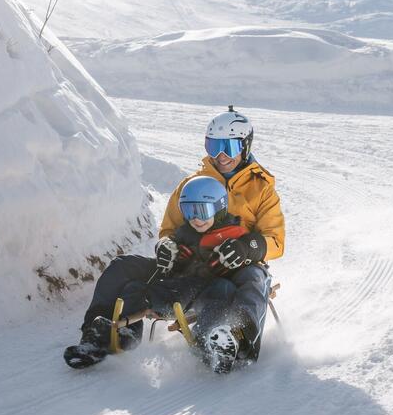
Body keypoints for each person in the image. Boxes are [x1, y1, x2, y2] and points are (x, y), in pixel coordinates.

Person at [64, 106, 285, 370]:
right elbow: (170, 229)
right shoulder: (191, 183)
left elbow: (276, 241)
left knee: (255, 279)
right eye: (214, 147)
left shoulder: (262, 190)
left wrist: (249, 248)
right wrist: (167, 246)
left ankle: (235, 339)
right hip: (191, 263)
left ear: (245, 146)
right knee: (123, 266)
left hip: (235, 266)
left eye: (229, 147)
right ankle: (102, 335)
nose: (221, 156)